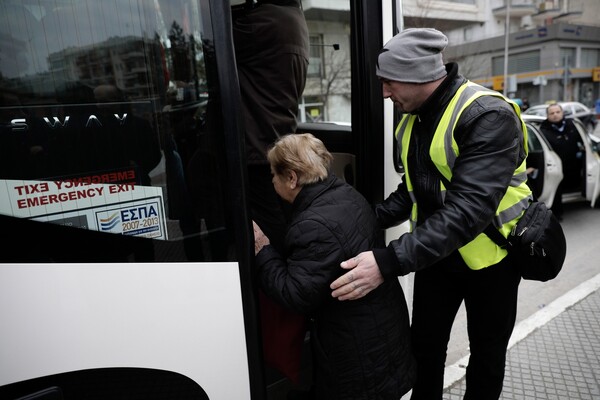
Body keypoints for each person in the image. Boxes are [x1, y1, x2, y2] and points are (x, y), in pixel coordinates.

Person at [330, 28, 532, 400]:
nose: (384, 93)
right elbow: (411, 192)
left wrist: (389, 261)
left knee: (486, 357)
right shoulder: (413, 118)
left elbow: (468, 210)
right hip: (438, 259)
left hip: (492, 259)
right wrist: (356, 222)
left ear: (417, 76)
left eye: (388, 82)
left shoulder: (487, 115)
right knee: (424, 350)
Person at [253, 133, 416, 400]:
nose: (271, 181)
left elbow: (294, 294)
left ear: (292, 178)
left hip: (356, 353)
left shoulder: (313, 225)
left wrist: (261, 247)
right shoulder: (345, 193)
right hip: (379, 335)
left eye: (274, 174)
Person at [539, 103, 584, 219]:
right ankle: (557, 214)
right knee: (556, 189)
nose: (555, 115)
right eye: (552, 113)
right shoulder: (543, 130)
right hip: (555, 165)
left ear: (562, 113)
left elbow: (582, 140)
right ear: (547, 116)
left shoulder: (572, 125)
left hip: (573, 164)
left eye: (557, 112)